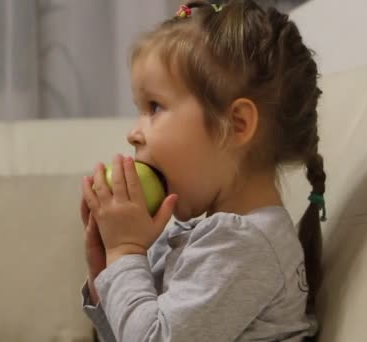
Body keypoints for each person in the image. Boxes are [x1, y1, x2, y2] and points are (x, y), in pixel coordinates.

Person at [80, 0, 326, 340]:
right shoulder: (202, 233)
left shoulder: (243, 245)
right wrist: (104, 272)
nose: (133, 132)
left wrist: (125, 252)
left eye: (154, 107)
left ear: (235, 124)